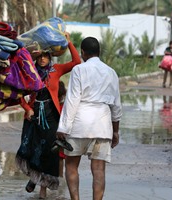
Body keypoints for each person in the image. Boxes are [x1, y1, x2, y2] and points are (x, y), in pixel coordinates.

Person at [16, 32, 81, 199]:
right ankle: (34, 177)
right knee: (32, 149)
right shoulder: (29, 72)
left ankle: (42, 191)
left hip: (52, 116)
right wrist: (26, 108)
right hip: (34, 115)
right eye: (40, 56)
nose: (43, 59)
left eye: (46, 56)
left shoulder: (56, 70)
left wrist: (69, 41)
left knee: (49, 152)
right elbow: (18, 93)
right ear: (36, 58)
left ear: (50, 56)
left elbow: (76, 62)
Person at [56, 37, 122, 200]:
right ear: (99, 52)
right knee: (99, 169)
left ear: (83, 53)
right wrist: (115, 131)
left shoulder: (79, 70)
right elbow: (116, 105)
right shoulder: (111, 72)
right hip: (102, 125)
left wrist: (63, 128)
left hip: (79, 124)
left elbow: (72, 100)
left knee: (71, 166)